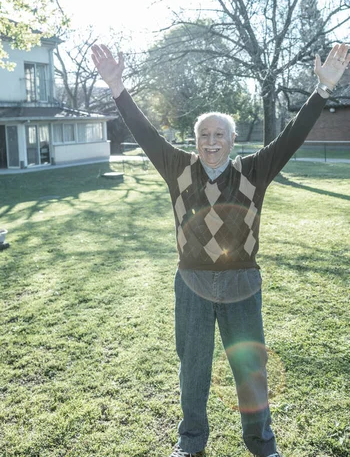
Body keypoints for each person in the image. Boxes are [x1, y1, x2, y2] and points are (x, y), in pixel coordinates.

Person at [91, 43, 350, 457]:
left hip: (242, 283)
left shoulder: (254, 170)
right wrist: (118, 87)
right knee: (193, 368)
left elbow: (291, 138)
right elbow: (143, 130)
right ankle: (190, 442)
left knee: (250, 367)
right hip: (191, 282)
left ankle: (261, 442)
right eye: (204, 135)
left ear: (232, 140)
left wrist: (321, 92)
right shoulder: (176, 167)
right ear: (195, 141)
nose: (212, 142)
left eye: (220, 135)